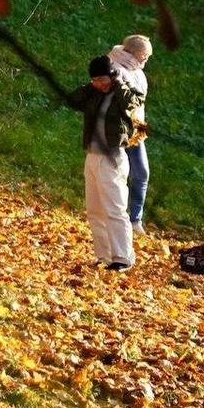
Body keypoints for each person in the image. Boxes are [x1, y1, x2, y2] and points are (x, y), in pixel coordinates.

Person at [66, 55, 145, 272]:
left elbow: (132, 103)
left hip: (113, 156)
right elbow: (73, 100)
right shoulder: (94, 93)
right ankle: (104, 255)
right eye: (95, 80)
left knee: (115, 209)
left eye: (102, 79)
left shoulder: (124, 92)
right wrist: (93, 86)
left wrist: (118, 83)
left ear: (112, 75)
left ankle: (123, 257)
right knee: (94, 210)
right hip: (92, 155)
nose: (99, 84)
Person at [108, 35, 153, 235]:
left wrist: (141, 129)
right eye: (145, 55)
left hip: (136, 129)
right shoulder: (115, 68)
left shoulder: (138, 72)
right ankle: (117, 217)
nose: (146, 59)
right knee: (118, 174)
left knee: (141, 172)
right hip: (119, 130)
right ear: (133, 52)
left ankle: (136, 220)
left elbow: (140, 104)